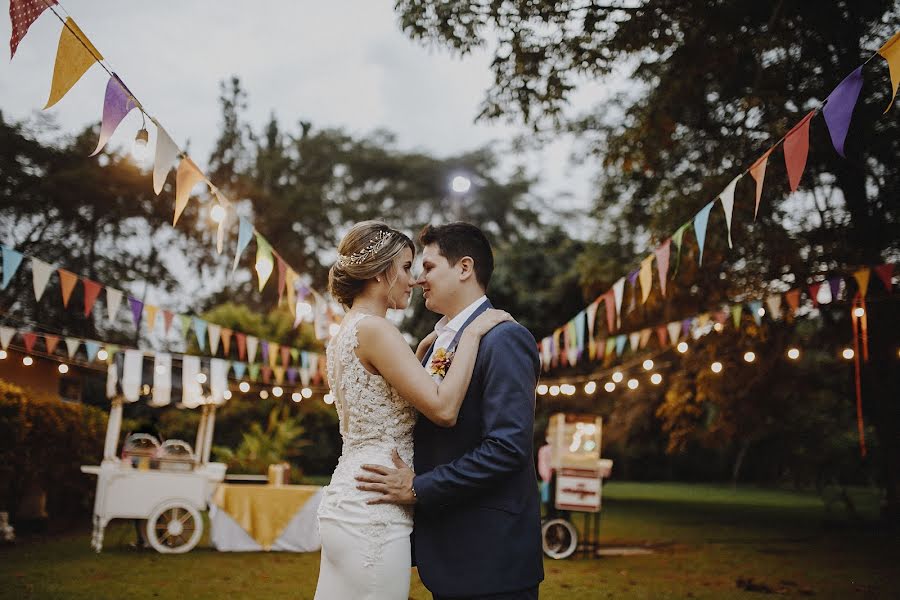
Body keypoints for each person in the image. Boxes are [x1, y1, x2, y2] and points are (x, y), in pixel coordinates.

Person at [314, 221, 512, 600]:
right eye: (406, 267)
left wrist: (421, 352)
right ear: (379, 271)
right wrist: (471, 334)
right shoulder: (377, 330)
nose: (415, 279)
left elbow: (386, 393)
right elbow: (442, 408)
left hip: (348, 497)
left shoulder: (346, 332)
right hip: (376, 507)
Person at [356, 222, 544, 599]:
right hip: (450, 550)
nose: (418, 280)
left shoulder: (504, 338)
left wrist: (419, 487)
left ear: (464, 268)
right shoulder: (438, 343)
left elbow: (507, 448)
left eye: (428, 267)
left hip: (490, 556)